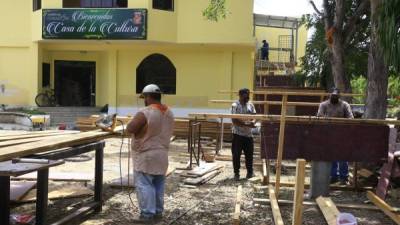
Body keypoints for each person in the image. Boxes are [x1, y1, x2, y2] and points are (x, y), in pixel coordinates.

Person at [127, 84, 174, 223]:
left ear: (147, 97)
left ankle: (147, 215)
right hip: (162, 155)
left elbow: (131, 128)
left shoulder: (146, 112)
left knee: (145, 184)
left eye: (144, 97)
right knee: (158, 185)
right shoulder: (169, 112)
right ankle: (158, 213)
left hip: (146, 155)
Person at [317, 88, 354, 185]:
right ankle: (333, 176)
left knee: (342, 155)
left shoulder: (344, 105)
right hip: (328, 132)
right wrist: (327, 120)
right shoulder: (324, 104)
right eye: (332, 96)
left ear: (339, 96)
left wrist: (341, 122)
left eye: (336, 96)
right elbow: (319, 115)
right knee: (331, 155)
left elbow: (350, 118)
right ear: (330, 95)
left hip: (342, 132)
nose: (334, 97)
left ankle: (344, 177)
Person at [231, 88, 257, 181]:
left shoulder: (250, 104)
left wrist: (253, 122)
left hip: (248, 135)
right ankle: (236, 173)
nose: (247, 98)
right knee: (236, 154)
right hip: (238, 134)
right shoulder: (235, 106)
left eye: (248, 96)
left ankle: (250, 173)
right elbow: (234, 120)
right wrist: (247, 124)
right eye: (245, 96)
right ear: (240, 95)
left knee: (249, 154)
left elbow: (254, 116)